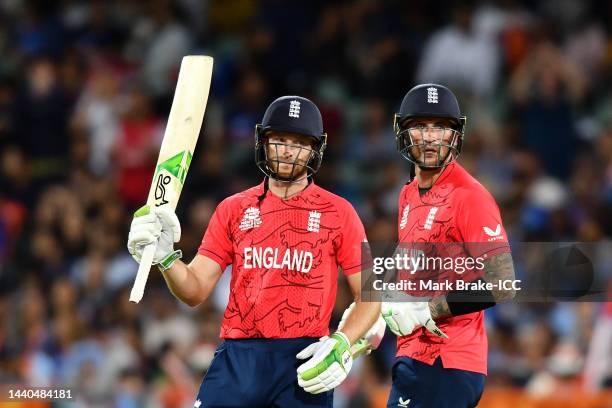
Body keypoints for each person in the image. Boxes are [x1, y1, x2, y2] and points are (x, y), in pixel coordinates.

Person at [127, 95, 382, 407]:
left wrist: (342, 343)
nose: (288, 150)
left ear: (315, 149)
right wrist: (167, 258)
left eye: (299, 142)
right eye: (280, 140)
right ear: (264, 141)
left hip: (303, 359)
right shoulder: (233, 208)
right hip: (238, 357)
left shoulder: (340, 212)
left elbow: (373, 293)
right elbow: (194, 291)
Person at [381, 84, 516, 408]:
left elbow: (503, 283)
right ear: (403, 132)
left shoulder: (469, 195)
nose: (430, 137)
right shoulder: (407, 195)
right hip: (415, 356)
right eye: (420, 126)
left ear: (456, 135)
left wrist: (427, 309)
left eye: (441, 126)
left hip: (447, 358)